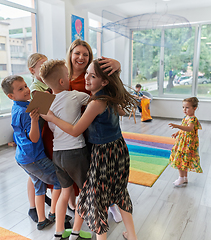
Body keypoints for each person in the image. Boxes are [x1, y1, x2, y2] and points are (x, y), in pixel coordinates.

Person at [41, 59, 138, 240]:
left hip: (102, 154)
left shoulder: (95, 103)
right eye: (87, 73)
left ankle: (77, 233)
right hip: (119, 150)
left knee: (96, 200)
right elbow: (122, 111)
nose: (86, 78)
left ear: (104, 82)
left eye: (92, 76)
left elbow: (75, 130)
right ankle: (132, 235)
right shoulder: (108, 97)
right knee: (120, 192)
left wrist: (52, 117)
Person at [66, 38, 123, 223]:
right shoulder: (64, 77)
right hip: (70, 132)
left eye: (85, 54)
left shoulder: (95, 76)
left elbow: (113, 83)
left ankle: (107, 206)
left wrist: (118, 65)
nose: (81, 57)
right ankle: (74, 208)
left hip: (94, 134)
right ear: (70, 55)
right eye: (77, 53)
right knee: (77, 176)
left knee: (100, 175)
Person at [1, 75, 61, 230]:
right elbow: (34, 138)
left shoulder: (18, 107)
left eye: (26, 86)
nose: (27, 90)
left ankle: (42, 220)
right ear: (11, 96)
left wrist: (42, 100)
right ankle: (53, 213)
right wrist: (34, 121)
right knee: (60, 180)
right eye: (21, 89)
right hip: (34, 158)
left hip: (23, 157)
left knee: (39, 186)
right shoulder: (26, 113)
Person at [39, 59, 92, 240]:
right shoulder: (75, 95)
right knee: (86, 192)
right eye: (68, 76)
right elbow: (93, 100)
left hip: (57, 154)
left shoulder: (45, 102)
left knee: (64, 192)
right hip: (75, 151)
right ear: (63, 81)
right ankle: (76, 232)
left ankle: (58, 232)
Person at [25, 53, 52, 223]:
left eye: (47, 65)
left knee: (42, 173)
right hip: (38, 134)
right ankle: (32, 207)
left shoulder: (45, 84)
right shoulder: (35, 88)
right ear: (32, 70)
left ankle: (41, 199)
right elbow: (44, 109)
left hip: (46, 132)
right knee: (34, 174)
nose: (45, 69)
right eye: (41, 66)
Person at [168, 97, 203, 186]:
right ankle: (184, 178)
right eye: (183, 107)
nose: (184, 109)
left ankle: (181, 178)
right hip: (183, 140)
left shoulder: (192, 119)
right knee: (184, 159)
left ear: (194, 108)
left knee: (181, 159)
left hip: (188, 143)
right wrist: (178, 132)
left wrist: (177, 126)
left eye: (187, 107)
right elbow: (184, 127)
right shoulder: (186, 117)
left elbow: (189, 128)